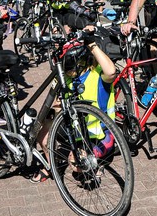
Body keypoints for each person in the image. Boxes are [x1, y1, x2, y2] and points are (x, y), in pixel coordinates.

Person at [33, 27, 117, 183]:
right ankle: (51, 165)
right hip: (76, 133)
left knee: (81, 164)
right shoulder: (66, 79)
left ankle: (95, 163)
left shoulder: (97, 75)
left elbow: (111, 71)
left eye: (69, 67)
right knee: (43, 134)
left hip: (101, 136)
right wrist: (45, 130)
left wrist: (91, 44)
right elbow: (57, 107)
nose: (67, 71)